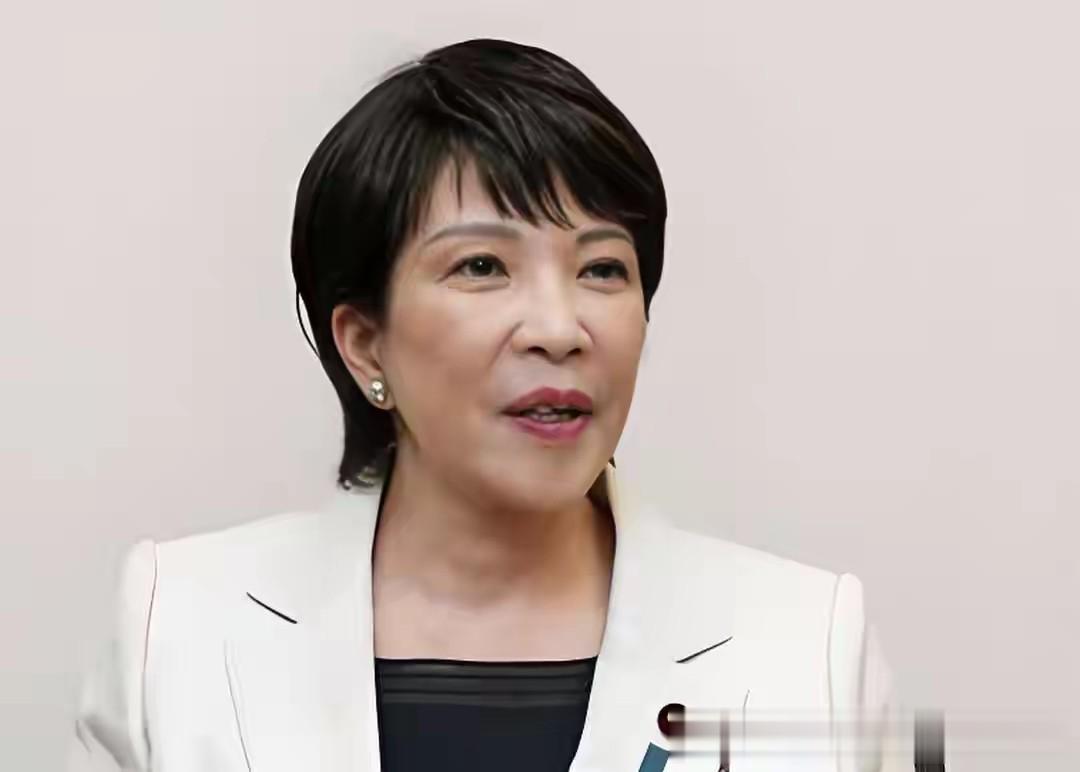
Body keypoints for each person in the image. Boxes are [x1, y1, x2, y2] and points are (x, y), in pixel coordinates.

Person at [68, 38, 906, 771]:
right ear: (365, 343)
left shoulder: (807, 645)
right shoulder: (178, 625)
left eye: (603, 269)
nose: (560, 329)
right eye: (481, 267)